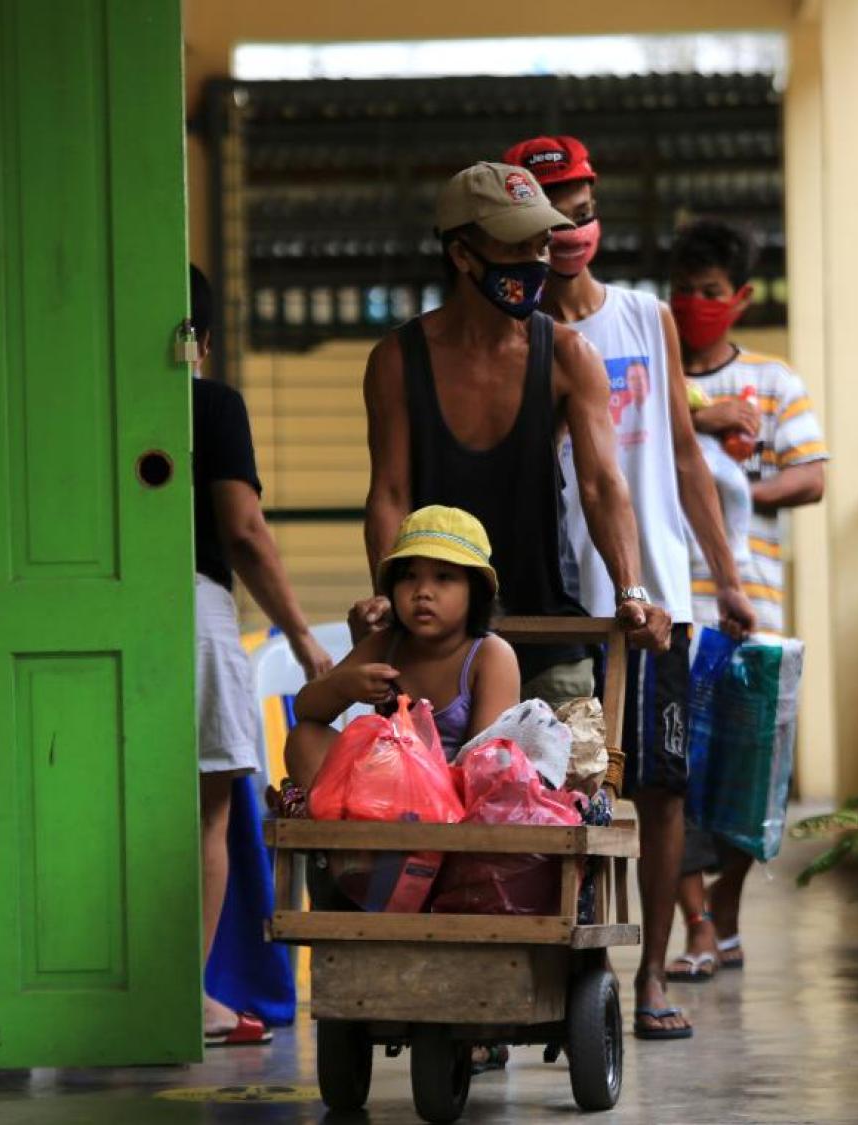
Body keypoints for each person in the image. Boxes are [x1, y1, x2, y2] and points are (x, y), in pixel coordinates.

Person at [502, 135, 758, 1042]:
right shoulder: (519, 336)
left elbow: (685, 457)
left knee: (662, 789)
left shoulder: (647, 319)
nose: (571, 218)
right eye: (551, 201)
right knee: (564, 791)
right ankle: (570, 975)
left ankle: (650, 973)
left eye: (580, 198)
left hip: (660, 606)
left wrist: (723, 576)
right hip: (565, 603)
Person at [352, 162, 671, 701]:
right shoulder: (397, 361)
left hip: (550, 632)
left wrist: (631, 590)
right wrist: (387, 596)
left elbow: (601, 485)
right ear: (461, 254)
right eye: (516, 246)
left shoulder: (569, 356)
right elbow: (390, 492)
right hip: (435, 647)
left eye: (541, 245)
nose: (535, 263)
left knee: (567, 781)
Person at [664, 217, 829, 981]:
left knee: (747, 776)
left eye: (710, 291)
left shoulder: (773, 381)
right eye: (683, 291)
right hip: (671, 610)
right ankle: (698, 926)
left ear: (742, 297)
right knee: (675, 782)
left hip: (750, 608)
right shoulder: (658, 382)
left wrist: (729, 488)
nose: (695, 303)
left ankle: (723, 911)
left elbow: (813, 475)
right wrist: (699, 426)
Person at [189, 263, 333, 1045]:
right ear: (202, 341)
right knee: (208, 811)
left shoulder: (74, 404)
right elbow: (243, 531)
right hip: (190, 609)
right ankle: (184, 996)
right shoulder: (210, 404)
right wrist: (304, 634)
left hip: (84, 613)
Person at [285, 505, 520, 783]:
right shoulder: (386, 644)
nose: (422, 592)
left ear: (476, 591)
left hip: (456, 800)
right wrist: (342, 686)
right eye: (409, 577)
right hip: (386, 789)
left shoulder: (490, 655)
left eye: (443, 577)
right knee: (304, 739)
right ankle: (348, 821)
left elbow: (484, 763)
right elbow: (304, 710)